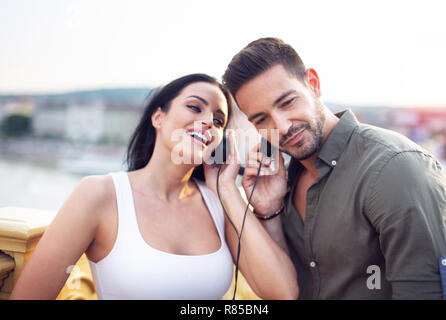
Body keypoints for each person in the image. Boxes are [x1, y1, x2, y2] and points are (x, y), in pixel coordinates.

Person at [9, 73, 298, 300]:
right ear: (158, 117)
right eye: (195, 107)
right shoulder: (99, 194)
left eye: (218, 121)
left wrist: (228, 190)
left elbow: (282, 292)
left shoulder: (219, 203)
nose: (208, 122)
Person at [222, 38, 446, 299]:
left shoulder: (395, 168)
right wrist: (270, 212)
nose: (282, 126)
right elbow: (284, 291)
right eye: (262, 119)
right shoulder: (281, 180)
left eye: (287, 103)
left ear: (313, 84)